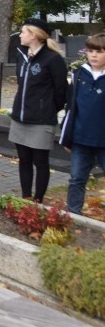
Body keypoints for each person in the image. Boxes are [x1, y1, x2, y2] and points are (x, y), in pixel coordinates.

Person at [9, 18, 68, 202]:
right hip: (20, 117)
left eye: (23, 32)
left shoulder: (53, 59)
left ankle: (38, 200)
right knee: (24, 160)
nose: (20, 35)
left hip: (41, 120)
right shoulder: (22, 55)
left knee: (40, 162)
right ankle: (25, 197)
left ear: (33, 35)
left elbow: (61, 91)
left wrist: (47, 108)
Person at [59, 32, 105, 214]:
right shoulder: (79, 75)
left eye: (99, 51)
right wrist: (67, 136)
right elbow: (70, 108)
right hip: (81, 139)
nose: (93, 55)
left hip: (103, 140)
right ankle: (73, 214)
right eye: (90, 51)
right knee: (77, 178)